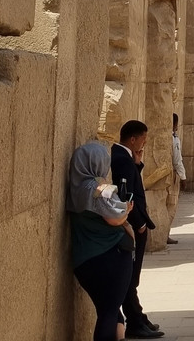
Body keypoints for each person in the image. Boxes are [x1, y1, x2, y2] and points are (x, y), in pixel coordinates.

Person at [67, 142, 134, 341]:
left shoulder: (76, 188)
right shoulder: (99, 188)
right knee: (109, 312)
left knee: (109, 310)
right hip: (110, 257)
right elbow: (114, 217)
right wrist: (126, 211)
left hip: (84, 261)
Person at [111, 120, 163, 339]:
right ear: (133, 139)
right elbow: (126, 195)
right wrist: (139, 223)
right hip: (132, 226)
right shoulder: (122, 159)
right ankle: (134, 321)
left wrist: (138, 165)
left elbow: (130, 183)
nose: (145, 142)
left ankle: (138, 316)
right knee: (129, 277)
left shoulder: (127, 158)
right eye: (143, 138)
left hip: (135, 223)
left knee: (132, 276)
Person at [166, 113, 186, 245]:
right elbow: (177, 160)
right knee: (171, 206)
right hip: (172, 174)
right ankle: (165, 234)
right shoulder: (174, 139)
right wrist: (183, 177)